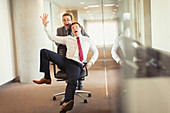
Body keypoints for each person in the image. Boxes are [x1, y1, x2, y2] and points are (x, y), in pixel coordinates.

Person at [33, 13, 99, 113]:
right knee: (44, 52)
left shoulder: (87, 40)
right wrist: (45, 26)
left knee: (72, 81)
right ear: (71, 31)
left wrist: (91, 62)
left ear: (80, 28)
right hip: (65, 61)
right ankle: (47, 77)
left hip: (76, 64)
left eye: (76, 27)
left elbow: (96, 52)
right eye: (73, 28)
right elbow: (52, 38)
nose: (74, 28)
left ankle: (67, 102)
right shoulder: (68, 38)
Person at [57, 13, 89, 90]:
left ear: (71, 20)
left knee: (77, 66)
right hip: (64, 53)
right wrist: (66, 43)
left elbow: (87, 38)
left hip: (77, 54)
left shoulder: (76, 28)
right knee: (67, 69)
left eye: (68, 20)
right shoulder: (59, 30)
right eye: (64, 20)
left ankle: (79, 82)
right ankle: (70, 83)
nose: (66, 22)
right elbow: (56, 41)